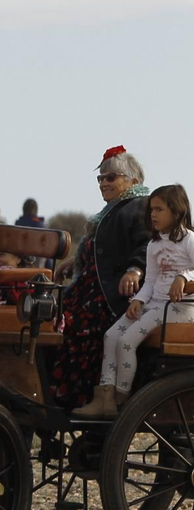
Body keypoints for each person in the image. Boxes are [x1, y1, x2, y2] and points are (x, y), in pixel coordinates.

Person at [77, 185, 194, 417]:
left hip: (180, 308)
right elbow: (150, 281)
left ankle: (123, 398)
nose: (153, 214)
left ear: (176, 211)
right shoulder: (154, 245)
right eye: (152, 209)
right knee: (111, 336)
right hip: (154, 304)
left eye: (159, 209)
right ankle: (105, 397)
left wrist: (183, 277)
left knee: (126, 342)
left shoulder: (189, 240)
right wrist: (138, 300)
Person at [51, 146, 152, 410]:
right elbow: (105, 250)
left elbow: (147, 245)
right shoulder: (112, 210)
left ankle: (81, 396)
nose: (103, 183)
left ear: (134, 181)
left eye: (111, 177)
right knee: (49, 318)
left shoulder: (139, 206)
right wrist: (76, 261)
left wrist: (135, 270)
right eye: (100, 178)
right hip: (90, 291)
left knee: (71, 326)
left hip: (113, 296)